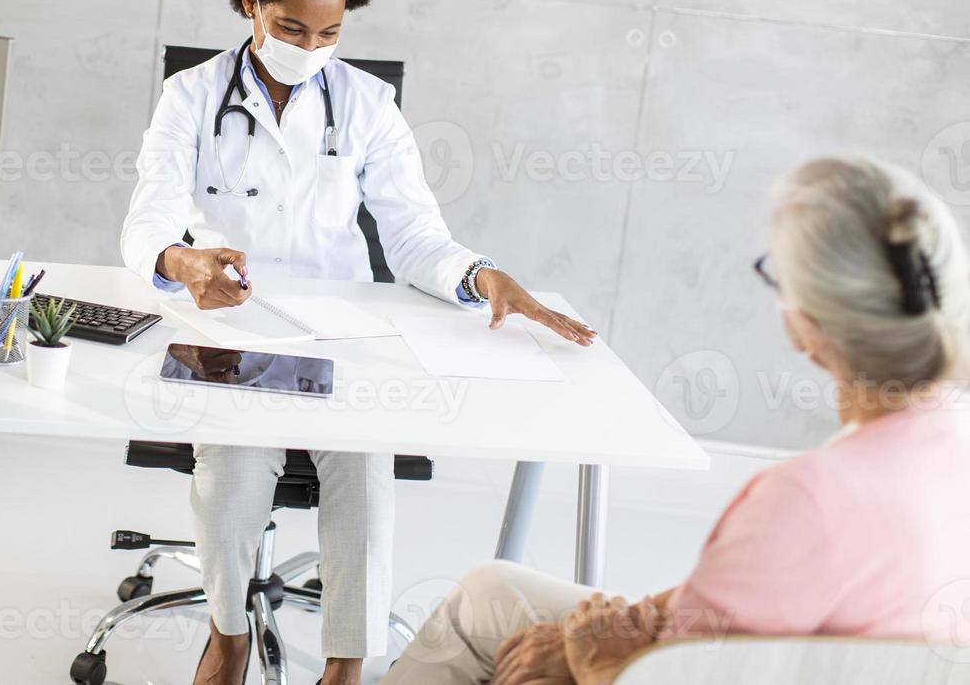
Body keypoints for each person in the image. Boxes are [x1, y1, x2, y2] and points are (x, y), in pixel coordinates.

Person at [120, 0, 596, 685]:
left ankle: (347, 664)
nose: (312, 48)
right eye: (292, 28)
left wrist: (481, 277)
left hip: (344, 337)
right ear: (251, 4)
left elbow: (413, 237)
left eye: (332, 34)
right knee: (234, 476)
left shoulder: (371, 107)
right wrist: (183, 262)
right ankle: (229, 634)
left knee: (367, 474)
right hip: (233, 331)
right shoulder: (193, 97)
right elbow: (148, 221)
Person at [381, 154, 970, 685]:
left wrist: (587, 656)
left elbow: (683, 670)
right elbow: (739, 602)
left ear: (812, 319)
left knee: (516, 656)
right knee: (493, 590)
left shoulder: (806, 499)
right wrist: (628, 621)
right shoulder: (947, 436)